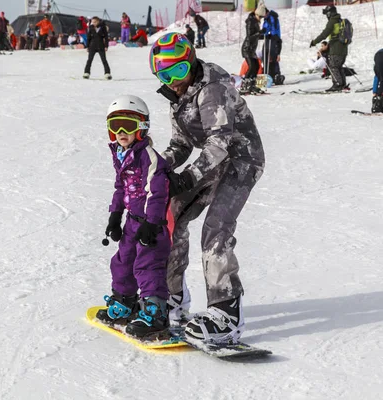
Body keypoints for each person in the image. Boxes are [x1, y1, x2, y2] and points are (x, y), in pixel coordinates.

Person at [149, 33, 265, 344]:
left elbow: (220, 143)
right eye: (164, 74)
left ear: (191, 62)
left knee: (216, 229)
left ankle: (226, 311)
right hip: (213, 159)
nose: (173, 80)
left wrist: (186, 178)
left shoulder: (211, 88)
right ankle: (172, 296)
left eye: (178, 71)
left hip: (241, 160)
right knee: (172, 214)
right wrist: (158, 166)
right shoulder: (178, 95)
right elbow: (181, 143)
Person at [99, 95, 171, 339]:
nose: (121, 132)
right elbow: (121, 188)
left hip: (153, 224)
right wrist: (115, 216)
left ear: (142, 127)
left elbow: (157, 192)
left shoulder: (148, 157)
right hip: (132, 221)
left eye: (128, 126)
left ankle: (156, 312)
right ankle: (125, 302)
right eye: (115, 126)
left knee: (147, 265)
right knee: (122, 261)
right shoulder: (122, 155)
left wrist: (152, 223)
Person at [309, 5, 348, 92]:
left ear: (330, 13)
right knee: (338, 66)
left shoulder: (332, 21)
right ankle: (342, 84)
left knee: (333, 66)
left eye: (327, 13)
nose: (327, 15)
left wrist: (314, 42)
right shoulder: (340, 20)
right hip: (344, 49)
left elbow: (324, 34)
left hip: (335, 49)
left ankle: (337, 84)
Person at [259, 6, 285, 85]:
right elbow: (265, 29)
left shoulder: (272, 17)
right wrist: (261, 34)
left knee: (272, 58)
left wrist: (268, 33)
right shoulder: (266, 19)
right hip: (267, 39)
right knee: (265, 57)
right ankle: (267, 75)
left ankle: (275, 75)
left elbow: (273, 28)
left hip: (274, 39)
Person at [240, 10, 263, 95]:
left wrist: (265, 36)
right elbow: (250, 37)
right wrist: (259, 33)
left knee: (256, 66)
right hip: (247, 48)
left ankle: (252, 85)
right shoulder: (250, 22)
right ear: (256, 14)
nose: (261, 18)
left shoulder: (256, 22)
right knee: (252, 66)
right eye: (260, 16)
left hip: (252, 49)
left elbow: (256, 36)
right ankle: (244, 85)